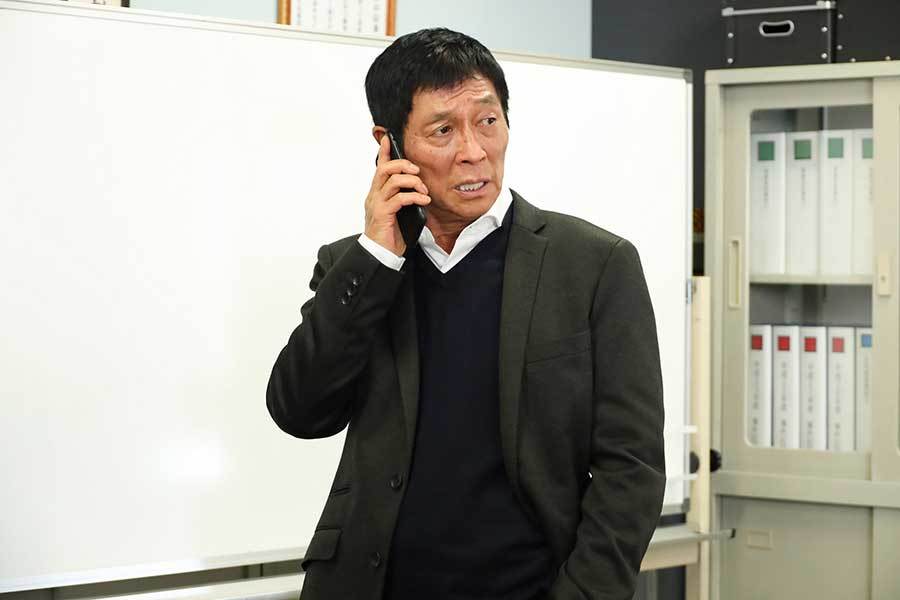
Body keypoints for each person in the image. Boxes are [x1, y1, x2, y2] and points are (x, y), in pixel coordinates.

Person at [266, 27, 666, 600]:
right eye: (443, 130)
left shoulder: (595, 265)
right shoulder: (357, 266)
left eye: (488, 121)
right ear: (389, 144)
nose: (474, 150)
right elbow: (301, 411)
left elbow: (632, 465)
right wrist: (377, 255)